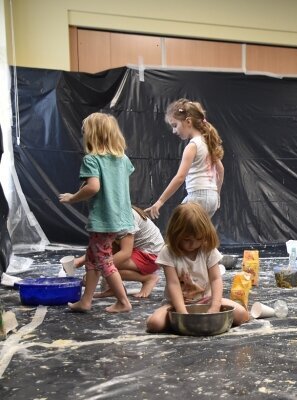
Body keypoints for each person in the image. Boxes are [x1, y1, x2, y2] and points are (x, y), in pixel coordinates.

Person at [59, 113, 135, 313]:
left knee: (104, 261)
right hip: (120, 217)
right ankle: (86, 300)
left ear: (91, 135)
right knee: (92, 257)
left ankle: (123, 301)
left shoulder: (91, 160)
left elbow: (93, 187)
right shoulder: (123, 159)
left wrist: (72, 198)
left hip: (104, 219)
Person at [146, 203, 249, 333]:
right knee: (154, 324)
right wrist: (182, 313)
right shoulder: (168, 252)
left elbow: (216, 279)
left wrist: (215, 307)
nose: (193, 244)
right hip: (176, 304)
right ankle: (176, 321)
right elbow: (173, 284)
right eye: (187, 239)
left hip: (206, 300)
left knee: (242, 315)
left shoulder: (207, 250)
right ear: (175, 234)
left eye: (198, 239)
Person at [146, 99, 224, 219]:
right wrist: (216, 193)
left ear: (188, 121)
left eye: (175, 125)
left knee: (180, 227)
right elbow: (221, 169)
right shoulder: (208, 143)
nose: (173, 131)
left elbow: (180, 177)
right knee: (197, 233)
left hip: (198, 197)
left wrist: (160, 202)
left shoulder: (192, 146)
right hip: (212, 198)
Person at [74, 206, 164, 298]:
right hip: (140, 251)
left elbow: (125, 253)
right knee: (105, 261)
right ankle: (113, 289)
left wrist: (96, 271)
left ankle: (148, 278)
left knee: (107, 267)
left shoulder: (125, 218)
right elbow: (101, 248)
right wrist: (80, 260)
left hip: (151, 256)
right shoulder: (114, 212)